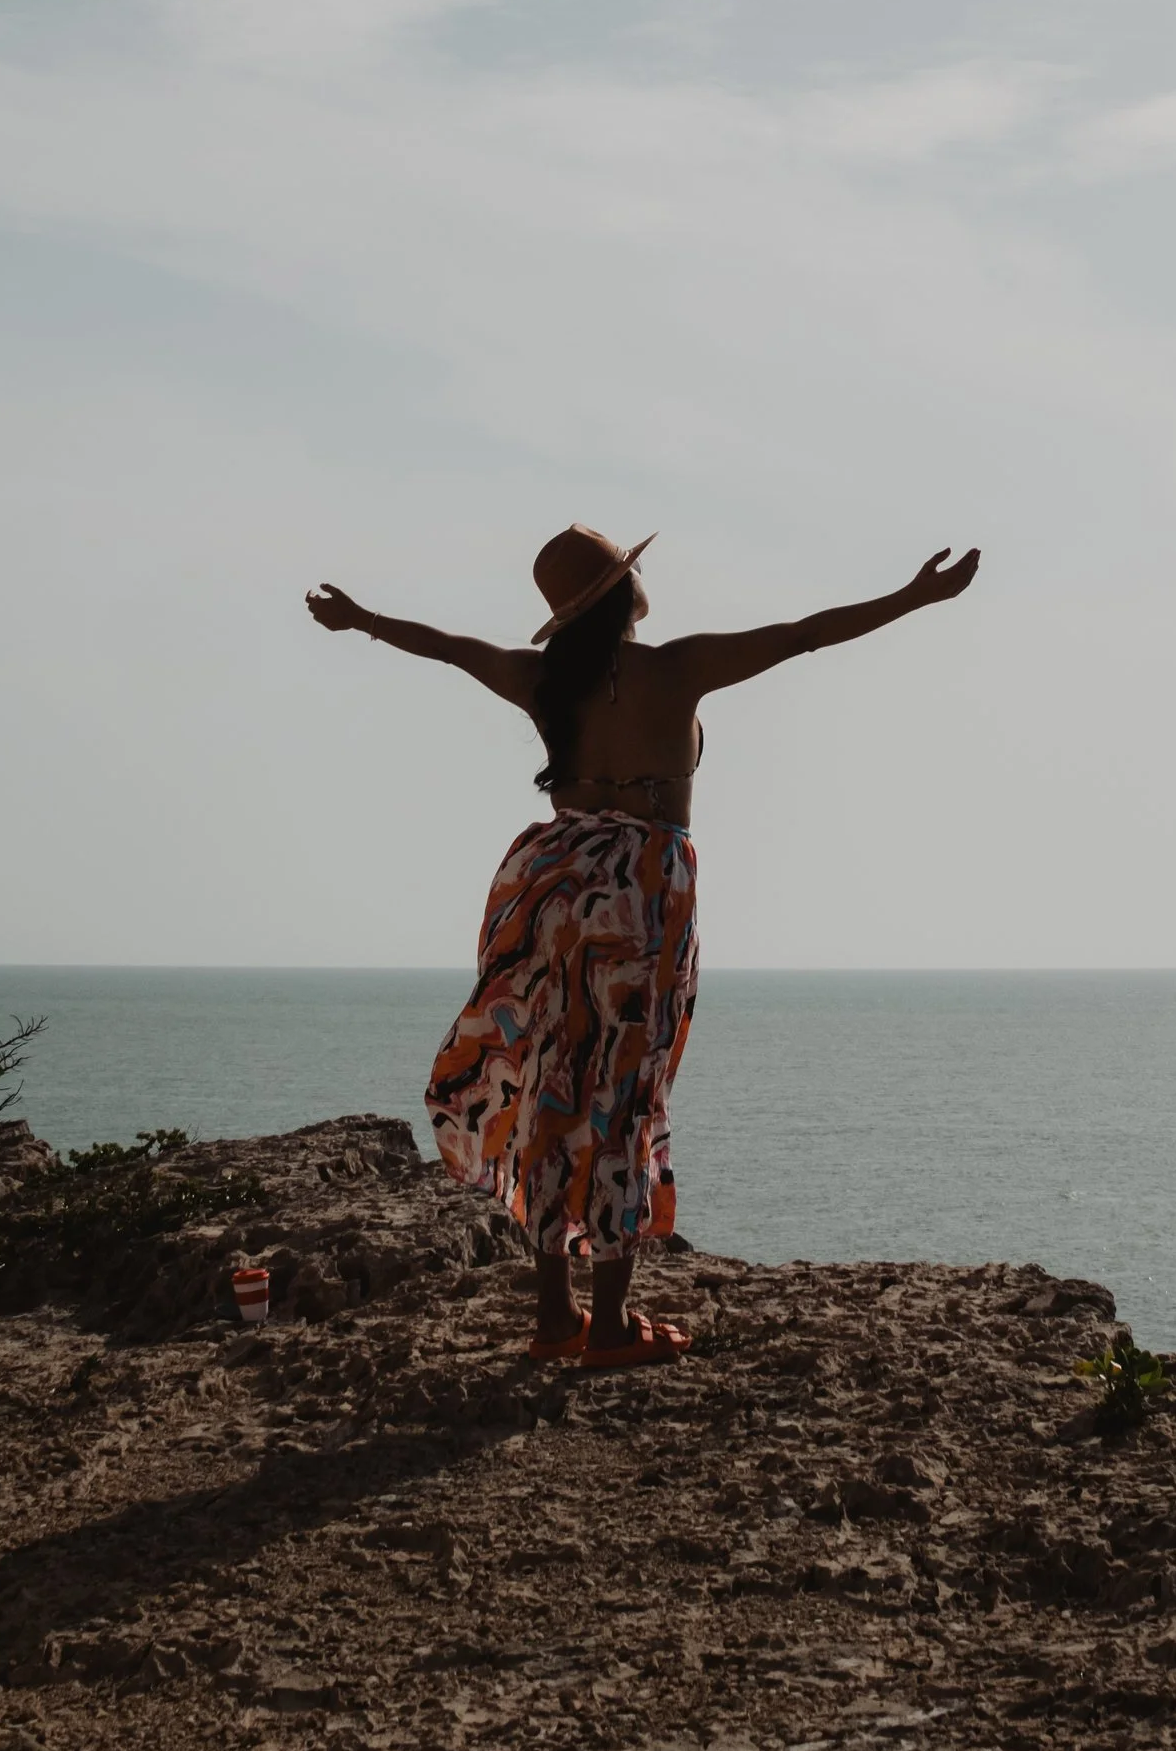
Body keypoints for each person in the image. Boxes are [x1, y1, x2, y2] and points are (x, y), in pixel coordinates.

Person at [304, 527, 980, 1368]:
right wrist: (913, 598)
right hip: (641, 893)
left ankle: (555, 1316)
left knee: (555, 1084)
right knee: (622, 1097)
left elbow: (446, 648)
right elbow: (805, 635)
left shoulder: (539, 677)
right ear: (627, 590)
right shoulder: (675, 669)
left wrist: (359, 617)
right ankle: (613, 1326)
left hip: (552, 885)